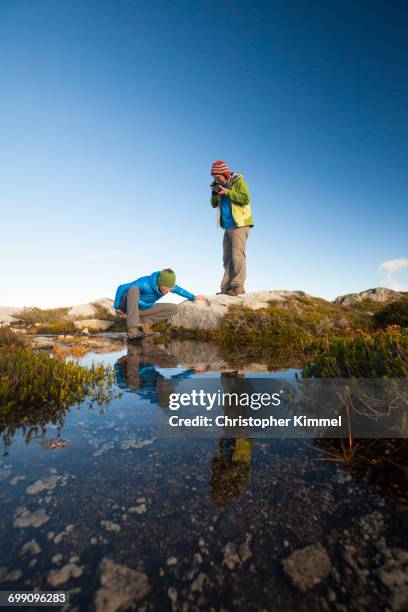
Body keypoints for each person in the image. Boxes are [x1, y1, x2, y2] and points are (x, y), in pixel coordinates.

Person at [114, 268, 205, 341]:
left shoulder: (169, 286)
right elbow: (121, 288)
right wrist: (117, 307)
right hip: (128, 307)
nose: (168, 291)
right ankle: (132, 330)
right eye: (166, 288)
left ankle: (144, 323)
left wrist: (194, 297)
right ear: (159, 282)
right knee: (133, 289)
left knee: (174, 308)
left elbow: (180, 291)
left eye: (170, 288)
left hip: (144, 309)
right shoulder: (144, 282)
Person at [210, 160, 254, 296]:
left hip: (240, 224)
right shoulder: (220, 186)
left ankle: (238, 286)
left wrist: (227, 192)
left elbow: (246, 198)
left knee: (237, 256)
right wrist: (215, 194)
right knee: (227, 258)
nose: (217, 180)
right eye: (214, 178)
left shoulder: (238, 181)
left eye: (218, 177)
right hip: (227, 226)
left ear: (225, 173)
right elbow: (213, 204)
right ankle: (226, 288)